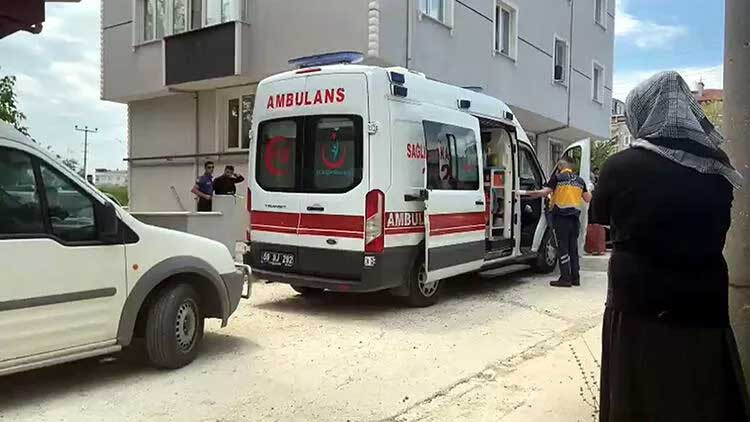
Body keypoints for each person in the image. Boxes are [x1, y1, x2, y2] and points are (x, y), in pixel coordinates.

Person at [591, 71, 749, 421]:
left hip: (638, 306)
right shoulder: (717, 168)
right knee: (699, 396)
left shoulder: (620, 166)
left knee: (637, 398)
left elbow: (597, 227)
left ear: (642, 114)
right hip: (703, 306)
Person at [523, 155, 592, 287]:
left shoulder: (557, 178)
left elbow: (544, 193)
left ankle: (565, 278)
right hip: (574, 220)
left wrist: (526, 193)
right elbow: (588, 198)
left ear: (560, 166)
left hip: (561, 218)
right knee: (573, 249)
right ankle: (575, 278)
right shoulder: (580, 181)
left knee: (562, 248)